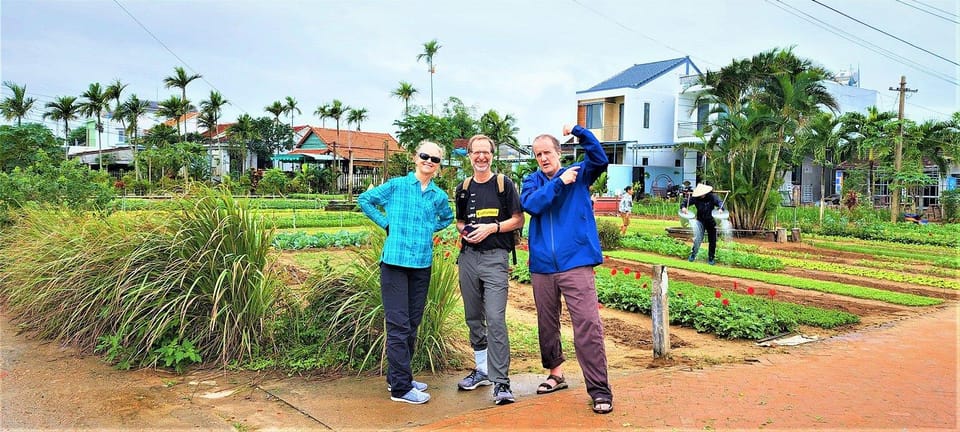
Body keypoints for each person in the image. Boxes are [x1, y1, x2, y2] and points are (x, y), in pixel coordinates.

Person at [520, 123, 614, 415]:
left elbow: (600, 158)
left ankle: (599, 390)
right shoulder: (532, 181)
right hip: (542, 267)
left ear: (559, 152)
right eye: (538, 154)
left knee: (587, 324)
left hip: (576, 262)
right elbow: (533, 205)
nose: (543, 158)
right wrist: (560, 183)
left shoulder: (580, 173)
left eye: (547, 152)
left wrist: (580, 132)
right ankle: (555, 374)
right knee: (547, 324)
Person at [357, 141, 454, 405]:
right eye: (425, 156)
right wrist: (386, 223)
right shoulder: (397, 186)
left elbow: (447, 218)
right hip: (395, 264)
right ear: (415, 158)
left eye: (435, 159)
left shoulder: (438, 196)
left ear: (438, 165)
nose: (429, 162)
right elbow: (365, 199)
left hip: (421, 265)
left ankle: (398, 376)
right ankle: (401, 389)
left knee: (411, 323)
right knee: (398, 325)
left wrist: (426, 228)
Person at [453, 134, 524, 405]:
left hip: (495, 258)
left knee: (495, 318)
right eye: (476, 152)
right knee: (473, 317)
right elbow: (460, 221)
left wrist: (491, 228)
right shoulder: (463, 187)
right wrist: (467, 231)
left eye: (486, 152)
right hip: (468, 257)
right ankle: (482, 369)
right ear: (469, 156)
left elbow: (518, 219)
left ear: (492, 155)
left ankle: (501, 383)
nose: (481, 157)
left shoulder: (504, 184)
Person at [681, 183, 725, 265]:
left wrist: (720, 208)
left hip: (711, 221)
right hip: (700, 221)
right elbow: (685, 202)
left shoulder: (712, 197)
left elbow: (720, 202)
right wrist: (683, 207)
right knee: (698, 238)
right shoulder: (695, 198)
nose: (700, 195)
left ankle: (711, 258)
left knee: (712, 240)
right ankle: (693, 255)